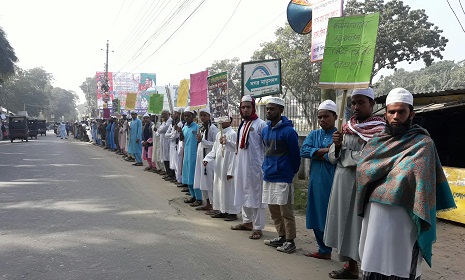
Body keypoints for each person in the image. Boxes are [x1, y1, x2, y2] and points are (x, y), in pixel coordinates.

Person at [357, 88, 455, 280]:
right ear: (385, 114)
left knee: (402, 266)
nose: (395, 116)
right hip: (375, 216)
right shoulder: (375, 143)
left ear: (412, 114)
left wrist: (391, 180)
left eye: (401, 112)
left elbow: (423, 183)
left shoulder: (423, 144)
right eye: (391, 112)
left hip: (406, 216)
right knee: (373, 263)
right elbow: (363, 172)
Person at [324, 88, 386, 279]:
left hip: (363, 184)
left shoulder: (380, 130)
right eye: (353, 103)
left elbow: (369, 157)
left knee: (360, 226)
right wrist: (335, 146)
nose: (356, 107)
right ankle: (350, 266)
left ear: (371, 104)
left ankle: (367, 268)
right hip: (341, 183)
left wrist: (344, 156)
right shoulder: (346, 127)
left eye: (361, 102)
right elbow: (333, 158)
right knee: (342, 223)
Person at [261, 97, 301, 253]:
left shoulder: (289, 131)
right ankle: (281, 236)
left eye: (272, 109)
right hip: (268, 174)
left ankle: (290, 241)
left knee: (286, 211)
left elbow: (295, 156)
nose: (269, 111)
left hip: (283, 176)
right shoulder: (265, 130)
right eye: (268, 108)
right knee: (273, 209)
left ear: (281, 110)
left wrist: (290, 172)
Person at [300, 100, 338, 259]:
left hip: (333, 182)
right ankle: (323, 250)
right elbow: (304, 151)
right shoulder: (313, 134)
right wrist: (324, 151)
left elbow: (336, 157)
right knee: (316, 213)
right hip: (315, 182)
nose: (322, 120)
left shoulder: (339, 135)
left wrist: (316, 154)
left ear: (335, 117)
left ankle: (340, 251)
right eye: (320, 117)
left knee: (332, 215)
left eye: (326, 116)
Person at [228, 95, 267, 240]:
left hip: (256, 167)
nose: (245, 110)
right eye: (243, 107)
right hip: (241, 166)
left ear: (253, 108)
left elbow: (266, 146)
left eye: (248, 107)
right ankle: (247, 222)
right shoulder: (242, 125)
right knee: (243, 192)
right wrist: (227, 143)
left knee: (256, 197)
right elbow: (240, 147)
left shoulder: (260, 124)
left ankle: (258, 227)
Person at [203, 117, 240, 221]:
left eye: (225, 119)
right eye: (221, 119)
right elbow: (215, 150)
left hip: (227, 166)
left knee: (229, 190)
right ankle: (222, 210)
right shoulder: (219, 134)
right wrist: (207, 158)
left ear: (230, 120)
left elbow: (233, 154)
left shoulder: (232, 134)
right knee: (219, 189)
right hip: (219, 166)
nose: (222, 121)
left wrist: (230, 171)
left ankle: (232, 212)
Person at [192, 107, 219, 209]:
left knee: (209, 181)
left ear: (209, 116)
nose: (202, 117)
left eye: (205, 115)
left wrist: (202, 141)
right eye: (201, 115)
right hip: (201, 158)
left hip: (209, 159)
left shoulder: (213, 128)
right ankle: (207, 202)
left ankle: (213, 204)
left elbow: (216, 145)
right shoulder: (201, 128)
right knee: (202, 180)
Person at [181, 107, 202, 205]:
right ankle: (192, 195)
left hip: (194, 155)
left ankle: (199, 198)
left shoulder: (197, 127)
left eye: (188, 115)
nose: (186, 117)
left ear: (193, 116)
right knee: (187, 175)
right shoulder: (184, 128)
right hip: (187, 154)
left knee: (194, 176)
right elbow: (183, 140)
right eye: (185, 115)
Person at [165, 108, 183, 183]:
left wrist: (172, 134)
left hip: (177, 145)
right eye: (174, 113)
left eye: (176, 113)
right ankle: (176, 178)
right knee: (173, 162)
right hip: (172, 145)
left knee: (177, 163)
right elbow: (167, 134)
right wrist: (172, 134)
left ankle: (179, 179)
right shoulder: (173, 123)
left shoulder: (180, 124)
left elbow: (175, 136)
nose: (174, 115)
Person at [158, 110, 174, 180]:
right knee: (164, 157)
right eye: (162, 114)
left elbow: (162, 129)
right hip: (163, 142)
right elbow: (159, 130)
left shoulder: (170, 121)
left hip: (167, 142)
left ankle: (170, 174)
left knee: (168, 158)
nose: (163, 115)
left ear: (169, 114)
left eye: (164, 114)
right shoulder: (164, 122)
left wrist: (160, 129)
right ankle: (167, 173)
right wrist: (160, 129)